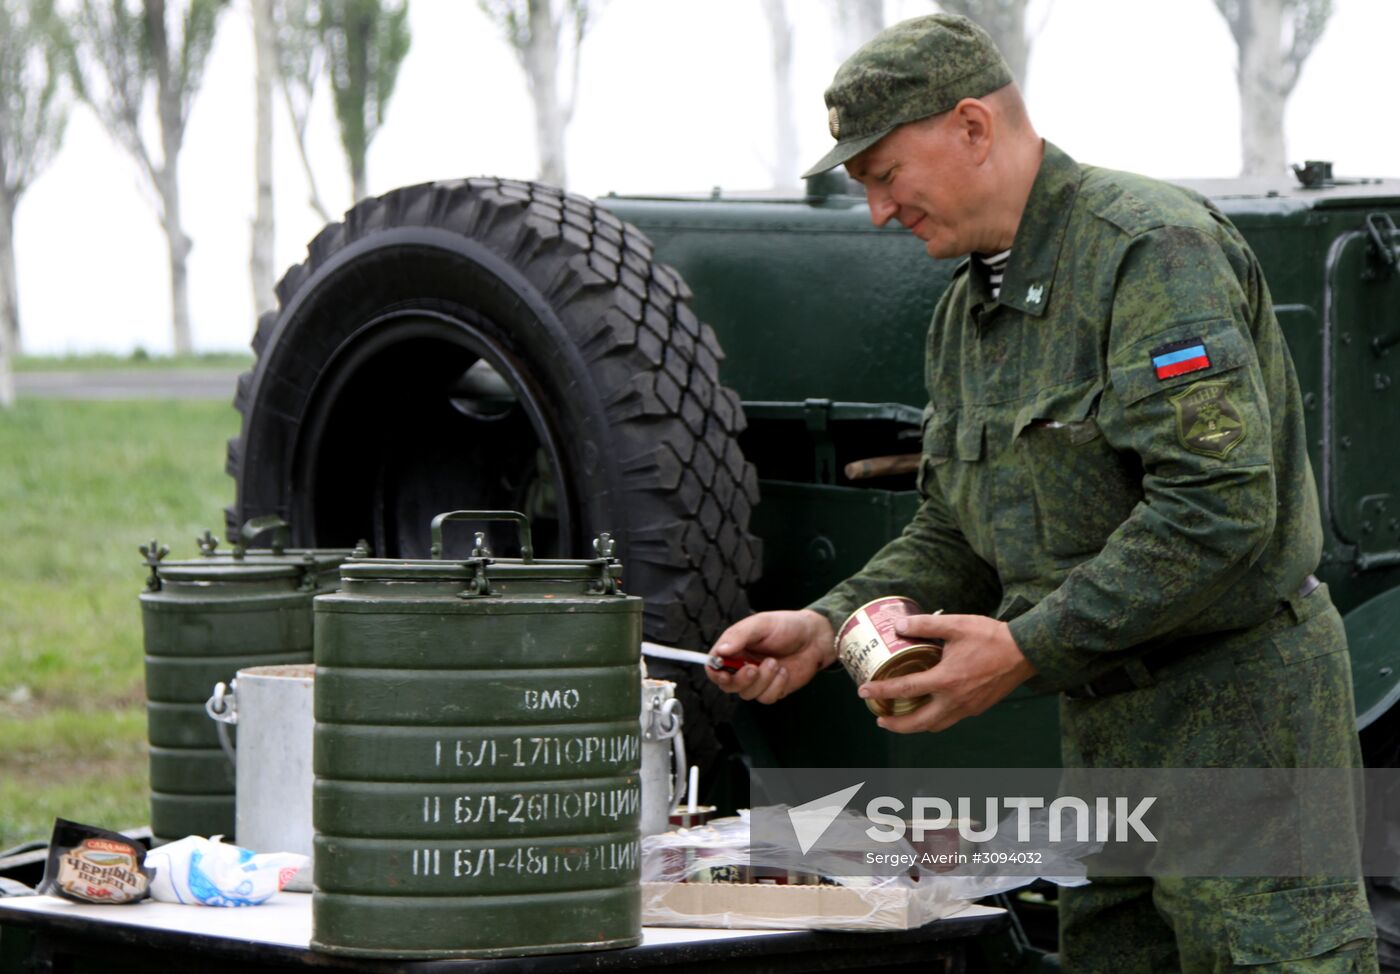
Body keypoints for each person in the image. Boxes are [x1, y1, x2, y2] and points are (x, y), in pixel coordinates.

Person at [706, 14, 1377, 973]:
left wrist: (1024, 648)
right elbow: (960, 529)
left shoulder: (1151, 251)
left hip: (1241, 721)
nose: (880, 213)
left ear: (972, 127)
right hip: (1106, 729)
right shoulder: (967, 316)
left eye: (886, 175)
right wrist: (827, 625)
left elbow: (1218, 509)